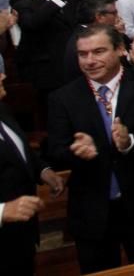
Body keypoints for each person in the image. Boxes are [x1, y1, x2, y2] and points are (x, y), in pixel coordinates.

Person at [47, 25, 134, 273]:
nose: (90, 61)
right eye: (83, 54)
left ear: (120, 50)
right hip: (92, 208)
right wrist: (75, 151)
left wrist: (130, 142)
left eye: (99, 51)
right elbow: (55, 151)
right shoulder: (63, 98)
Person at [0, 56, 64, 276]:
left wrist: (43, 171)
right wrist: (1, 212)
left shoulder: (3, 110)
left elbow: (19, 152)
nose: (3, 76)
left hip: (19, 237)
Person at [11, 0, 80, 115]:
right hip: (45, 72)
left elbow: (79, 7)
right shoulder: (22, 2)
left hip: (67, 64)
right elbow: (32, 23)